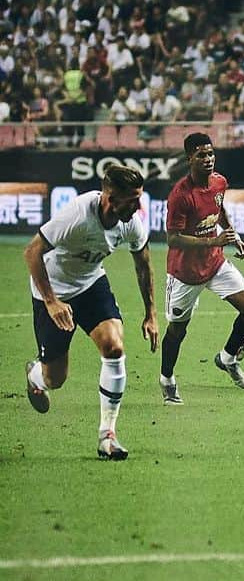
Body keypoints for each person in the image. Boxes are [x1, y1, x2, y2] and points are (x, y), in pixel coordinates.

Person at [24, 163, 159, 461]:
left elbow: (143, 262)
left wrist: (151, 313)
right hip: (53, 290)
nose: (138, 206)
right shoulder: (77, 214)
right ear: (111, 198)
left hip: (91, 284)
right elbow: (32, 252)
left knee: (114, 347)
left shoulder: (130, 223)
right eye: (132, 200)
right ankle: (36, 374)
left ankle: (107, 436)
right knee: (55, 378)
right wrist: (51, 301)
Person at [159, 131, 244, 405]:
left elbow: (220, 211)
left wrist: (233, 236)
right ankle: (167, 379)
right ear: (189, 158)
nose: (208, 159)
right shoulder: (180, 196)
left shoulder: (219, 182)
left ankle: (228, 358)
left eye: (210, 154)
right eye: (201, 155)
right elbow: (172, 238)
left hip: (215, 264)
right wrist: (213, 240)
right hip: (185, 273)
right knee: (177, 331)